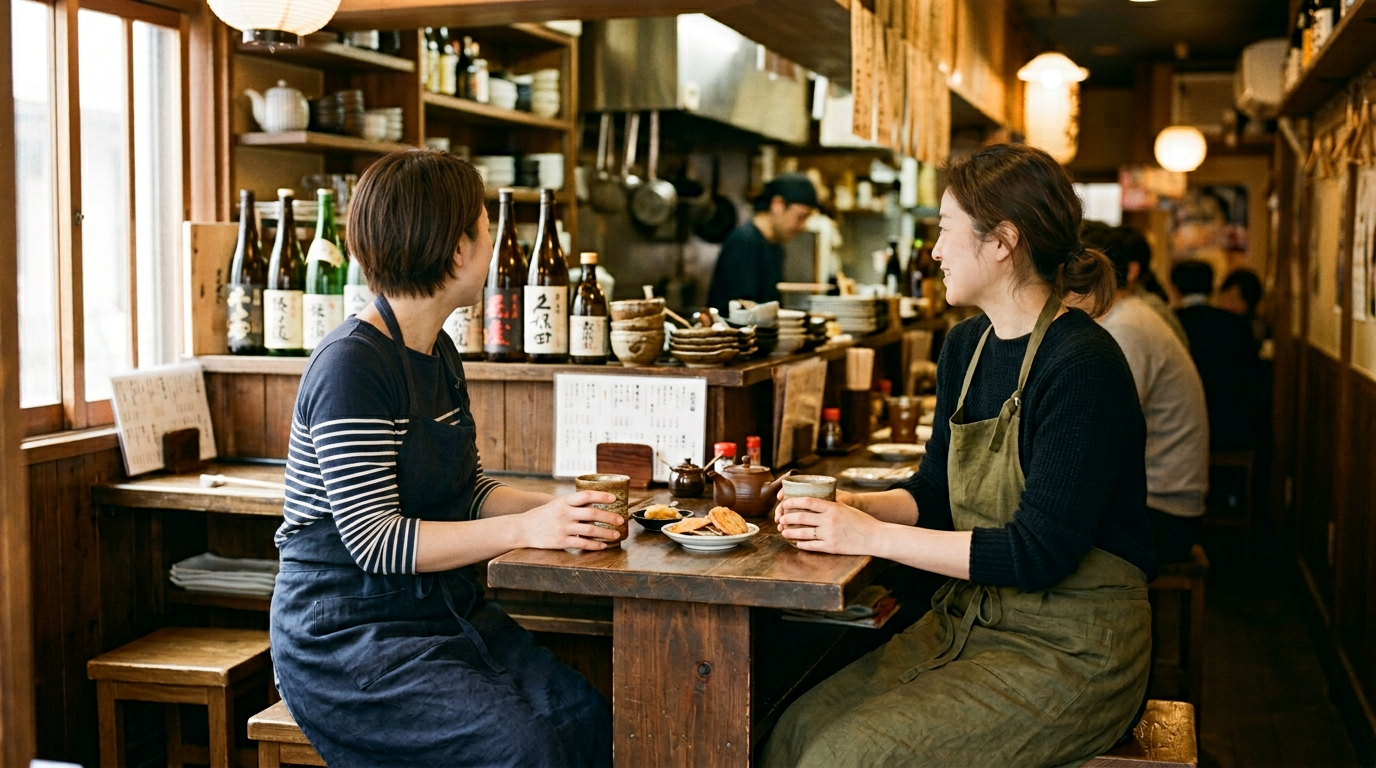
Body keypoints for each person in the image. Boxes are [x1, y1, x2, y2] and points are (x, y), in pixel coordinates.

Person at [763, 144, 1156, 767]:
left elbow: (1037, 551)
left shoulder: (1083, 365)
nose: (935, 252)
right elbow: (934, 495)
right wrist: (849, 505)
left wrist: (868, 534)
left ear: (1002, 241)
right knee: (790, 733)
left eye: (945, 232)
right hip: (969, 621)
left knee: (841, 757)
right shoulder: (967, 345)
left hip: (1073, 649)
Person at [269, 150, 617, 767]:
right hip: (349, 637)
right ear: (459, 251)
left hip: (440, 610)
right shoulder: (352, 364)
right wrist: (526, 528)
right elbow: (377, 542)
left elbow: (470, 491)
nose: (491, 243)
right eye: (485, 227)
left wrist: (562, 512)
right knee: (523, 750)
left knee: (589, 721)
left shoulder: (439, 349)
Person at [1081, 226, 1209, 563]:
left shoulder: (1127, 328)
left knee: (1043, 537)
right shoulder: (1127, 317)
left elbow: (1101, 431)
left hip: (1163, 511)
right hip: (1156, 501)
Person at [1172, 259, 1261, 450]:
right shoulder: (1237, 325)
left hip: (1182, 426)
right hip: (1234, 424)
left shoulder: (1170, 323)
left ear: (1175, 289)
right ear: (1212, 288)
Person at [706, 173, 818, 312]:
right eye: (801, 217)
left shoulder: (775, 246)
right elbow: (742, 310)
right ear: (778, 205)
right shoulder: (744, 242)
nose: (803, 226)